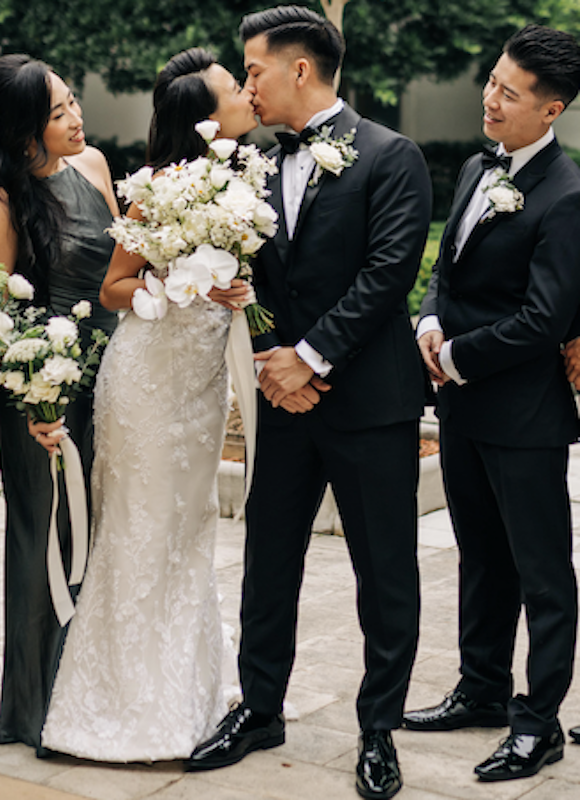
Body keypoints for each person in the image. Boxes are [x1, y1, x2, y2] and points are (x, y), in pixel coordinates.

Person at [188, 7, 432, 799]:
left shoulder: (393, 156)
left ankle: (379, 729)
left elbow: (390, 271)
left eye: (252, 69)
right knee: (268, 561)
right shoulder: (253, 159)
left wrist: (309, 358)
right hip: (284, 406)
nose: (244, 84)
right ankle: (260, 709)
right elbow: (268, 271)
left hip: (369, 402)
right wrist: (242, 302)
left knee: (384, 573)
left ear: (299, 69)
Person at [41, 48, 256, 762]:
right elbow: (113, 288)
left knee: (188, 534)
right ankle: (123, 701)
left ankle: (191, 686)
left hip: (201, 389)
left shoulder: (242, 186)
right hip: (145, 384)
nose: (245, 91)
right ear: (206, 115)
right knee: (139, 532)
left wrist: (237, 291)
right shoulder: (156, 189)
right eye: (233, 87)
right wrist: (170, 289)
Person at [403, 24, 580, 783]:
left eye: (510, 92)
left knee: (542, 575)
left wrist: (460, 358)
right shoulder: (480, 168)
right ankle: (481, 691)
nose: (491, 97)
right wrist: (432, 319)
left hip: (525, 419)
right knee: (482, 562)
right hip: (465, 410)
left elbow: (546, 319)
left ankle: (538, 724)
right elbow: (448, 267)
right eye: (493, 80)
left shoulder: (568, 198)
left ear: (553, 111)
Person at [0, 53, 119, 755]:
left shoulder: (94, 167)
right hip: (41, 400)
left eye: (73, 103)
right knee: (46, 539)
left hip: (112, 382)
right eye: (58, 110)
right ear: (23, 129)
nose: (75, 118)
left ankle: (93, 687)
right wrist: (36, 399)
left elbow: (124, 272)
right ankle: (37, 709)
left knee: (107, 535)